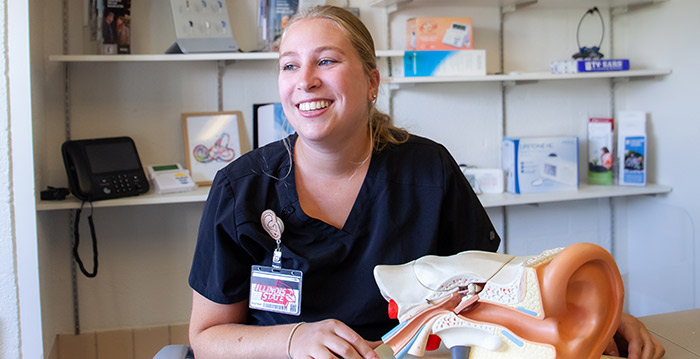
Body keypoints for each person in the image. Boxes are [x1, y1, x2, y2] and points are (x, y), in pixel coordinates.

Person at [188, 5, 664, 359]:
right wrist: (295, 339)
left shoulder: (427, 171)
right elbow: (206, 337)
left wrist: (592, 314)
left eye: (326, 61)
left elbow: (492, 288)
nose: (304, 80)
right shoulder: (242, 188)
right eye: (290, 65)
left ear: (372, 83)